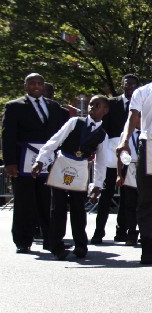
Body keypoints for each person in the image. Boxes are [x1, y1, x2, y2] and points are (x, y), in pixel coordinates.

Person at [33, 95, 109, 260]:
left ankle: (81, 245)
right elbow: (55, 141)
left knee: (78, 209)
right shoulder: (75, 122)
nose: (92, 108)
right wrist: (40, 160)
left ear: (105, 110)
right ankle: (56, 246)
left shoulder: (103, 135)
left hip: (81, 168)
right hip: (63, 163)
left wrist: (97, 185)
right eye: (90, 104)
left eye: (97, 105)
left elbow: (101, 162)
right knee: (58, 208)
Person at [117, 53, 152, 264]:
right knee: (145, 201)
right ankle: (147, 247)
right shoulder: (141, 92)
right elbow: (132, 118)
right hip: (148, 144)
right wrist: (124, 141)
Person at [2, 73, 69, 253]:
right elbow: (7, 136)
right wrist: (10, 162)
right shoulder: (14, 107)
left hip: (48, 161)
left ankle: (50, 239)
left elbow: (63, 134)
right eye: (32, 83)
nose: (36, 86)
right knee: (24, 200)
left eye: (40, 83)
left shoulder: (54, 107)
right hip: (23, 161)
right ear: (25, 86)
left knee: (48, 200)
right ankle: (23, 240)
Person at [91, 74, 140, 244]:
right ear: (122, 86)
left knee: (128, 197)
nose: (130, 87)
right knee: (106, 195)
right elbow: (101, 127)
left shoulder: (141, 102)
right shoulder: (111, 104)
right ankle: (98, 232)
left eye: (133, 85)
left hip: (131, 155)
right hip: (110, 152)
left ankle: (122, 231)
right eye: (127, 85)